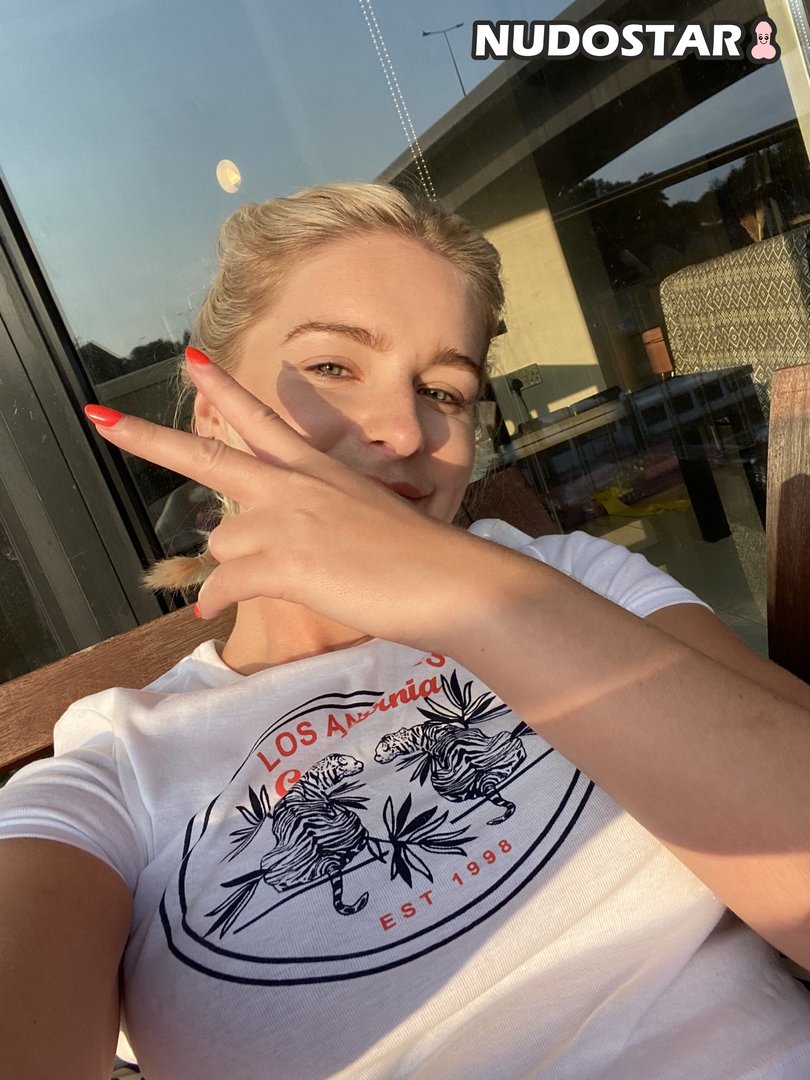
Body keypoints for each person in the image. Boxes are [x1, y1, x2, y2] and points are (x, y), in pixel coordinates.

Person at [1, 182, 809, 1080]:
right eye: (332, 367)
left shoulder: (575, 580)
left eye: (444, 391)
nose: (401, 430)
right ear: (215, 414)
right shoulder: (118, 769)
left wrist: (452, 585)